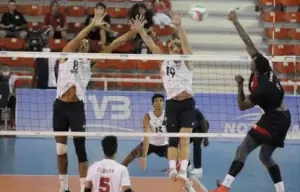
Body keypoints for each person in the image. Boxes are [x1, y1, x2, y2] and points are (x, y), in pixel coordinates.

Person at [53, 9, 137, 192]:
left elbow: (113, 45)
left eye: (86, 43)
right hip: (60, 106)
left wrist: (133, 32)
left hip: (76, 108)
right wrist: (92, 24)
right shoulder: (66, 54)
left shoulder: (89, 62)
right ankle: (63, 188)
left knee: (80, 151)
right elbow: (76, 39)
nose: (83, 43)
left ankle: (84, 188)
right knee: (60, 150)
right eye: (81, 42)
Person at [210, 8, 291, 192]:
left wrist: (239, 85)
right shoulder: (264, 69)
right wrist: (235, 21)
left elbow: (242, 106)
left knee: (243, 149)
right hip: (284, 117)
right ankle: (281, 191)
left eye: (252, 60)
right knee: (265, 156)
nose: (251, 58)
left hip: (274, 119)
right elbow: (247, 42)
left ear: (255, 68)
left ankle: (223, 188)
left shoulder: (262, 89)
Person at [130, 14, 196, 192]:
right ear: (169, 49)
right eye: (172, 47)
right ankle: (173, 170)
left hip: (188, 103)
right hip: (172, 104)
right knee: (172, 140)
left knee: (184, 137)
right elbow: (151, 45)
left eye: (177, 47)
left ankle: (182, 171)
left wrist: (179, 27)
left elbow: (187, 46)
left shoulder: (187, 61)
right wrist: (141, 31)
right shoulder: (164, 60)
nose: (175, 49)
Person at [121, 93, 168, 169]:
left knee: (177, 156)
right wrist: (144, 156)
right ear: (153, 104)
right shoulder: (148, 116)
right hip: (149, 143)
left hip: (163, 144)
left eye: (161, 101)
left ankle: (186, 172)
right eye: (156, 101)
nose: (159, 103)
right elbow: (147, 136)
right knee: (133, 154)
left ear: (163, 103)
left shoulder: (168, 115)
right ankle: (120, 169)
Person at [188, 108, 209, 176]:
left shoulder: (195, 111)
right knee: (182, 143)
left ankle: (198, 168)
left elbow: (203, 122)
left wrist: (206, 138)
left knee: (196, 144)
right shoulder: (178, 112)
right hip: (191, 128)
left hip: (201, 127)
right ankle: (188, 165)